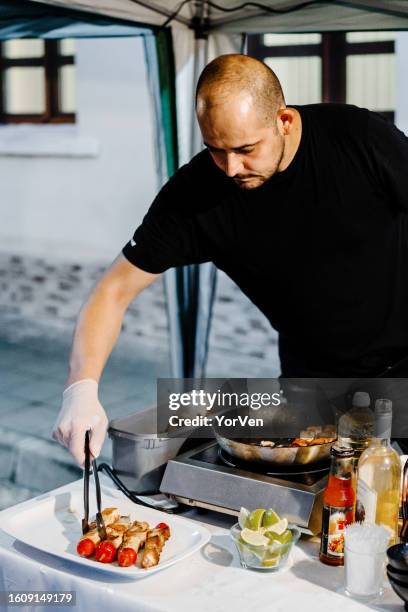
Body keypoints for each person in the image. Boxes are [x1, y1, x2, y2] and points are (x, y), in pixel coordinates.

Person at [52, 54, 408, 466]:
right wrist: (80, 389)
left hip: (403, 361)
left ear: (284, 121)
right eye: (215, 150)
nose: (231, 168)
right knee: (320, 515)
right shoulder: (195, 196)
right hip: (312, 383)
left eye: (245, 149)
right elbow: (112, 291)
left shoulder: (358, 139)